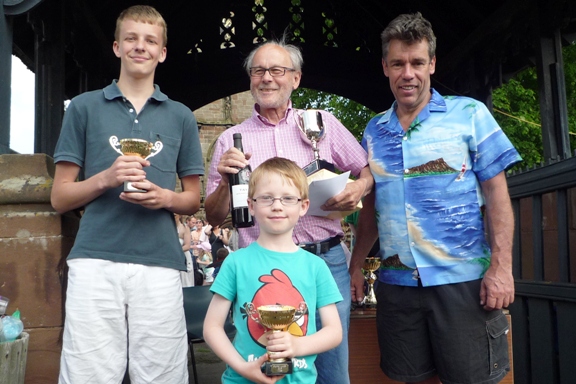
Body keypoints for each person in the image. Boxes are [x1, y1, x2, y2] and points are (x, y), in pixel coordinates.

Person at [349, 12, 522, 384]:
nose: (407, 73)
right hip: (396, 287)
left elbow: (497, 195)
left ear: (432, 64)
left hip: (462, 283)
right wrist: (355, 266)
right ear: (385, 67)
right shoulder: (374, 131)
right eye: (398, 63)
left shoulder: (470, 114)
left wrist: (502, 267)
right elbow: (370, 208)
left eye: (416, 62)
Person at [204, 37, 373, 383]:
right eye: (258, 71)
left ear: (295, 78)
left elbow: (366, 169)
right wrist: (224, 182)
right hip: (258, 265)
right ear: (251, 79)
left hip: (323, 261)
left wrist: (359, 186)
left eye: (277, 70)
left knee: (331, 369)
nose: (267, 78)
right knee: (261, 353)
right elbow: (213, 216)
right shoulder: (230, 139)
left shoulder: (321, 124)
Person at [50, 5, 204, 383]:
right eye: (132, 39)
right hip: (95, 259)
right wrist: (106, 178)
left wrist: (164, 198)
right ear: (117, 46)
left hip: (160, 261)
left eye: (150, 40)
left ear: (162, 52)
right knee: (89, 373)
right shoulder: (84, 107)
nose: (141, 47)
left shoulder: (181, 115)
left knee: (162, 375)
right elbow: (59, 197)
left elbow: (192, 199)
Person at [204, 157, 343, 383]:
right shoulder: (235, 263)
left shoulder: (316, 266)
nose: (277, 205)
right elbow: (212, 327)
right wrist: (242, 367)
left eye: (288, 198)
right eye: (267, 198)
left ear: (303, 206)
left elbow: (334, 332)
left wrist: (297, 345)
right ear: (251, 205)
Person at [176, 214, 195, 287]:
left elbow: (187, 246)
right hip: (172, 258)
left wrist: (174, 250)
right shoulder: (168, 228)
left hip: (184, 257)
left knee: (185, 281)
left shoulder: (185, 228)